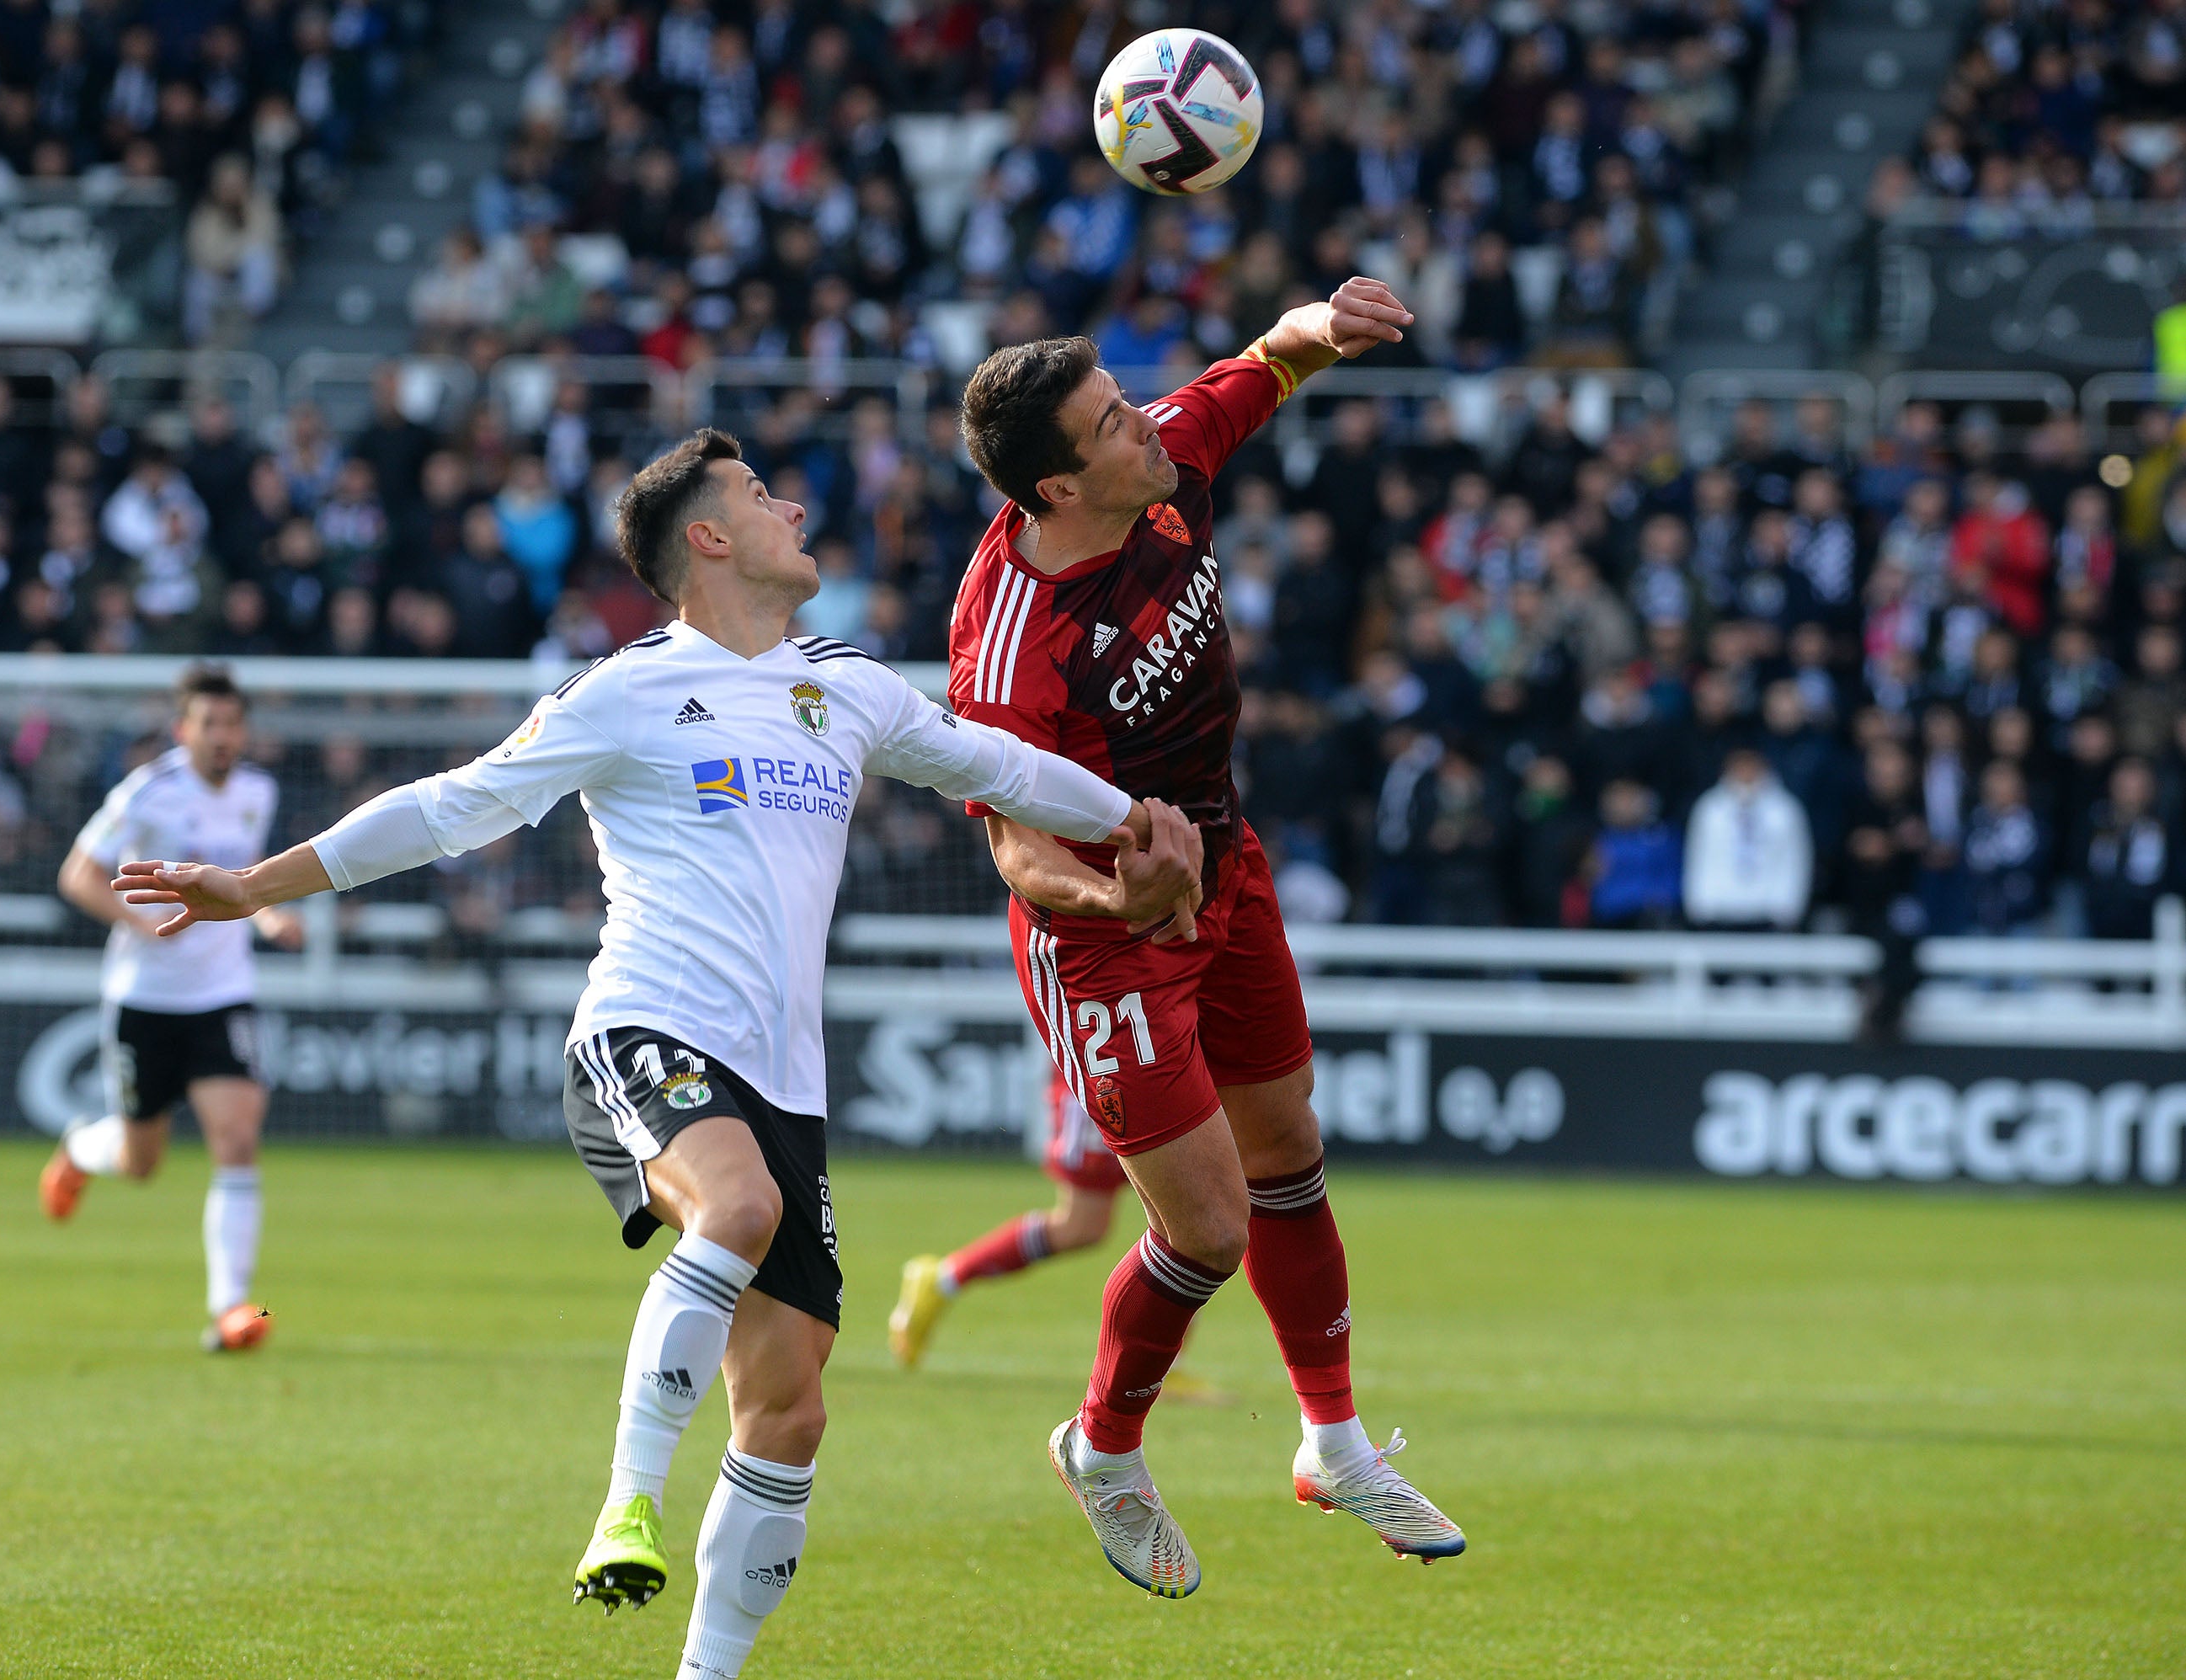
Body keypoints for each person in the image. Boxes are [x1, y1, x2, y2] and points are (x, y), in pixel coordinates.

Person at [104, 429, 1201, 1677]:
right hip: (646, 1024)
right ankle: (628, 1501)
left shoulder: (844, 683)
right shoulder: (625, 687)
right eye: (757, 492)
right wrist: (254, 884)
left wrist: (1140, 824)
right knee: (732, 1205)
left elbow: (995, 762)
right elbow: (454, 804)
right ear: (710, 538)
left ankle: (703, 1671)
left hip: (784, 1077)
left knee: (789, 1406)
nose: (793, 501)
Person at [947, 276, 1465, 1600]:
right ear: (1058, 490)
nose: (1145, 427)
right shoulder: (1012, 649)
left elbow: (1265, 361)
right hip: (1108, 937)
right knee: (1212, 1227)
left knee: (1291, 1149)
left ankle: (1333, 1443)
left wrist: (1323, 323)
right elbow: (1016, 852)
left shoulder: (1156, 463)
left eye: (1126, 402)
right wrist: (1126, 899)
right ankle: (1104, 1445)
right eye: (1113, 424)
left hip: (1225, 864)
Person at [40, 665, 300, 1353]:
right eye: (208, 724)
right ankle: (77, 1149)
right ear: (183, 729)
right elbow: (77, 874)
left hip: (222, 994)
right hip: (145, 998)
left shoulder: (257, 792)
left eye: (232, 724)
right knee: (140, 1160)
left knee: (238, 1136)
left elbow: (244, 882)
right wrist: (133, 921)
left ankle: (230, 1309)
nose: (222, 737)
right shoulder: (146, 792)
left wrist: (271, 923)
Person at [887, 1075, 1218, 1404]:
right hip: (1103, 1072)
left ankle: (1165, 1367)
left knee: (1189, 1216)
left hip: (1161, 1072)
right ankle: (943, 1278)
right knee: (1082, 1225)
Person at [1682, 747, 1815, 931]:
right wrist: (1699, 905)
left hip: (1769, 912)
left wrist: (1790, 906)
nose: (1745, 772)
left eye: (1750, 765)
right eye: (1739, 766)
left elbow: (1795, 860)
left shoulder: (1785, 809)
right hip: (1719, 911)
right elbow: (1697, 856)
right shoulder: (1710, 808)